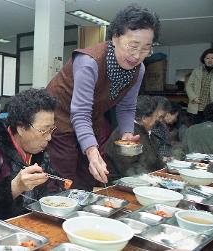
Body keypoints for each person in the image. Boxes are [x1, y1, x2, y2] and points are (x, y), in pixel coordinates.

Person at [46, 5, 160, 190]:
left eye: (146, 49)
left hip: (89, 122)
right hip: (58, 119)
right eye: (133, 46)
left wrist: (126, 133)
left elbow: (127, 107)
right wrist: (91, 152)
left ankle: (83, 217)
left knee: (88, 177)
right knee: (63, 178)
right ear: (115, 37)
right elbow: (80, 112)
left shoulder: (139, 70)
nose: (137, 55)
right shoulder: (89, 62)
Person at [0, 89, 60, 219]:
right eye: (44, 130)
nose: (49, 137)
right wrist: (15, 187)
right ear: (21, 128)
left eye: (51, 129)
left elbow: (52, 186)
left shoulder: (38, 149)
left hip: (33, 222)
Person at [105, 96, 165, 181]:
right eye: (155, 116)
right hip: (120, 184)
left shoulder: (145, 130)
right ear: (144, 118)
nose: (157, 120)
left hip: (144, 178)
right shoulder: (126, 135)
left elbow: (154, 160)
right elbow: (128, 170)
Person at [186, 48, 213, 124]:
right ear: (204, 59)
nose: (210, 60)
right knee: (197, 127)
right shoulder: (196, 71)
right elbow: (189, 85)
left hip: (212, 108)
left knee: (210, 128)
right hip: (197, 106)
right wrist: (193, 97)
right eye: (207, 58)